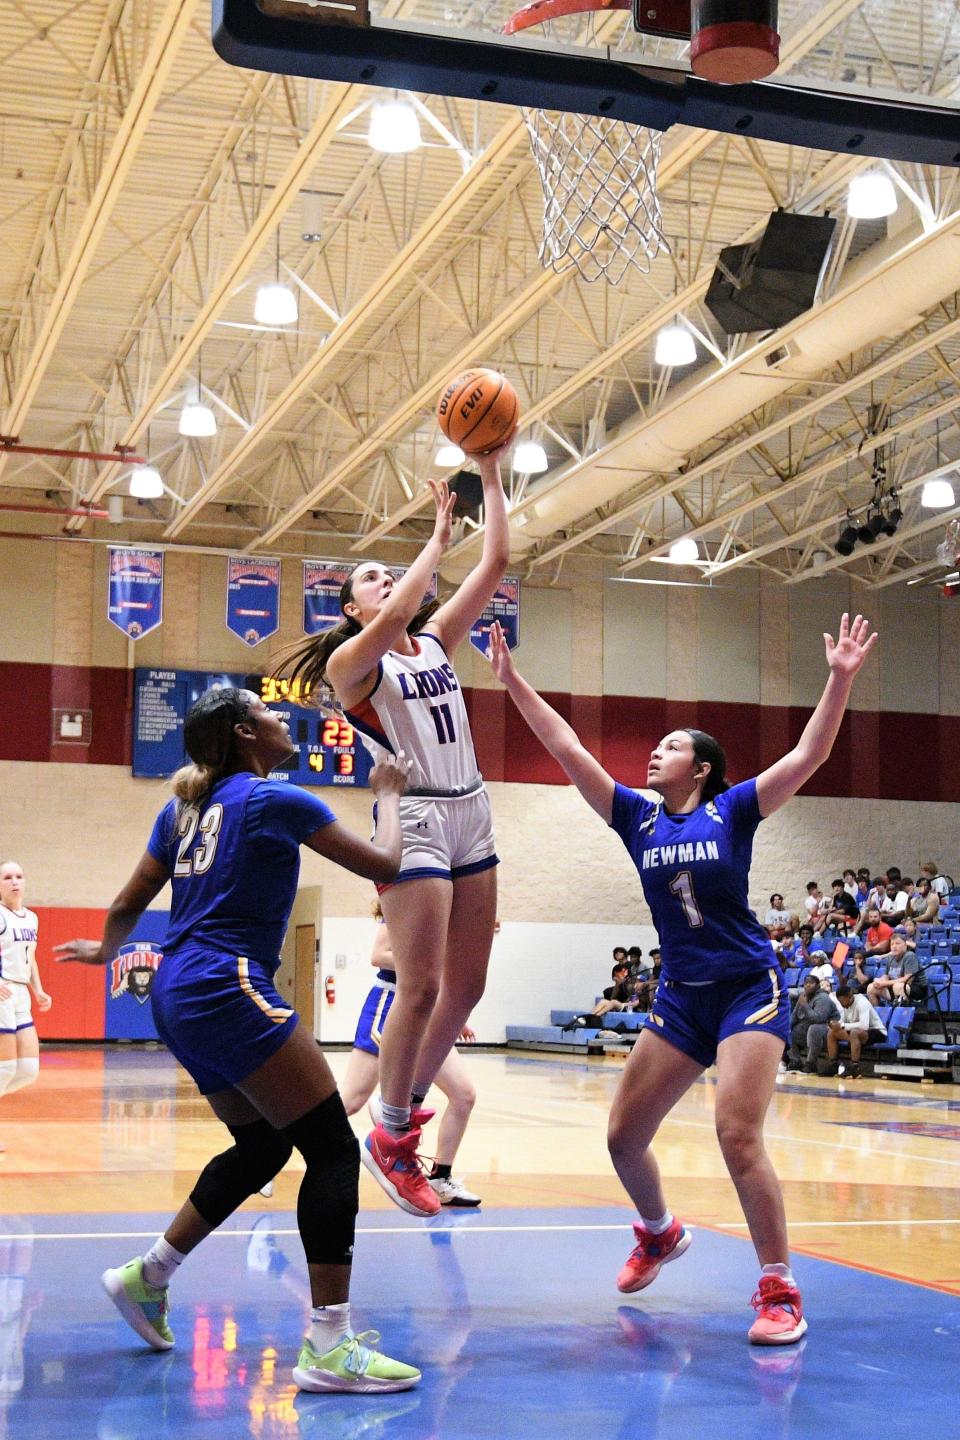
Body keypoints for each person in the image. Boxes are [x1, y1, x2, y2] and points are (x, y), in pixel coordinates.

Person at [486, 611, 877, 1345]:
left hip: (746, 988)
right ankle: (660, 1233)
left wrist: (839, 679)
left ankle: (779, 1289)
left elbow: (811, 753)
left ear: (699, 769)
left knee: (736, 1133)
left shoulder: (734, 809)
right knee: (623, 1138)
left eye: (670, 748)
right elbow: (566, 746)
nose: (653, 754)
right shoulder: (635, 818)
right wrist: (511, 681)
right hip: (681, 998)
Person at [54, 686, 420, 1395]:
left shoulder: (181, 810)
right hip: (229, 984)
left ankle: (148, 1275)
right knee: (334, 1149)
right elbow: (385, 865)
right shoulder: (275, 799)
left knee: (263, 1146)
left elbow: (131, 900)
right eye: (274, 713)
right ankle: (329, 1346)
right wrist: (389, 794)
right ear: (248, 731)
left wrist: (105, 952)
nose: (288, 721)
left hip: (175, 991)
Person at [279, 447, 513, 1219]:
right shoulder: (354, 663)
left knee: (468, 984)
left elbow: (501, 561)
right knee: (420, 984)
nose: (390, 584)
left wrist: (495, 475)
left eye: (393, 573)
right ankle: (391, 1132)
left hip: (471, 806)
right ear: (352, 608)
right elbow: (393, 613)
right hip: (413, 815)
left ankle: (399, 1115)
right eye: (374, 579)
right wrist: (437, 538)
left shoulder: (440, 639)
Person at [339, 903, 481, 1207]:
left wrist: (455, 1014)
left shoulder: (448, 914)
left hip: (430, 1012)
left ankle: (441, 1178)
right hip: (391, 1003)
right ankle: (271, 1147)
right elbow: (378, 956)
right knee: (351, 1099)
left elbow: (440, 973)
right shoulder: (410, 902)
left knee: (464, 1094)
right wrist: (423, 965)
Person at [0, 861, 52, 1145]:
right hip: (3, 992)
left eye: (19, 876)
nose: (15, 881)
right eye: (7, 877)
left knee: (29, 1070)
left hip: (21, 993)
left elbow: (30, 957)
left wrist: (39, 990)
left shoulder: (31, 918)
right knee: (5, 1069)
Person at [825, 985, 886, 1078]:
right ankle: (834, 1065)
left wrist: (842, 1025)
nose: (841, 1004)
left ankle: (855, 1068)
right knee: (832, 1033)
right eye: (839, 1001)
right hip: (856, 1032)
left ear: (850, 997)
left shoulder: (862, 1002)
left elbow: (864, 1026)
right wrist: (835, 1025)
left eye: (842, 1001)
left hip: (876, 1032)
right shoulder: (846, 1005)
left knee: (854, 1033)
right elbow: (843, 1022)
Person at [786, 977, 836, 1072]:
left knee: (814, 1029)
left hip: (827, 1030)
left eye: (811, 983)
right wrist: (786, 1028)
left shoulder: (823, 998)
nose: (808, 985)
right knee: (787, 1030)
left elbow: (818, 1019)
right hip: (807, 1030)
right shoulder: (803, 996)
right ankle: (796, 1061)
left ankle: (811, 1064)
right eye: (806, 983)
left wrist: (805, 1005)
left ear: (817, 986)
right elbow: (794, 1016)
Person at [865, 933, 919, 1007]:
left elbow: (908, 980)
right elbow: (886, 975)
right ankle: (877, 1015)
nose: (894, 946)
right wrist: (880, 981)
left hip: (914, 988)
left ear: (905, 946)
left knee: (898, 986)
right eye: (892, 944)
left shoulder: (910, 956)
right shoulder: (891, 957)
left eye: (897, 943)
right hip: (894, 987)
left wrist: (885, 983)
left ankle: (899, 1015)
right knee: (871, 987)